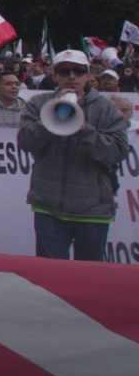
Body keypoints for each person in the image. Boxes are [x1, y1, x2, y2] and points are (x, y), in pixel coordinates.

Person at [19, 49, 129, 261]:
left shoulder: (106, 109)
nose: (71, 77)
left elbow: (117, 152)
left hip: (93, 211)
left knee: (89, 279)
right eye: (64, 71)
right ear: (54, 76)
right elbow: (25, 142)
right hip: (48, 207)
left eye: (78, 71)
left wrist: (84, 129)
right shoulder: (38, 104)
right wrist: (51, 119)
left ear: (88, 75)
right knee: (50, 278)